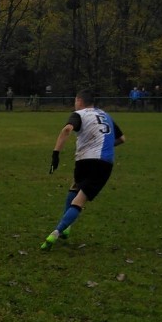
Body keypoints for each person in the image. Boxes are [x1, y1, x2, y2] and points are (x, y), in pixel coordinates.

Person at [41, 90, 125, 251]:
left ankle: (65, 228)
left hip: (84, 161)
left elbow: (67, 129)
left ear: (79, 100)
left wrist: (55, 154)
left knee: (75, 188)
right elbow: (121, 139)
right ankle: (56, 232)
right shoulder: (106, 115)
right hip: (103, 163)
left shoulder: (79, 114)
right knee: (79, 200)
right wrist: (104, 145)